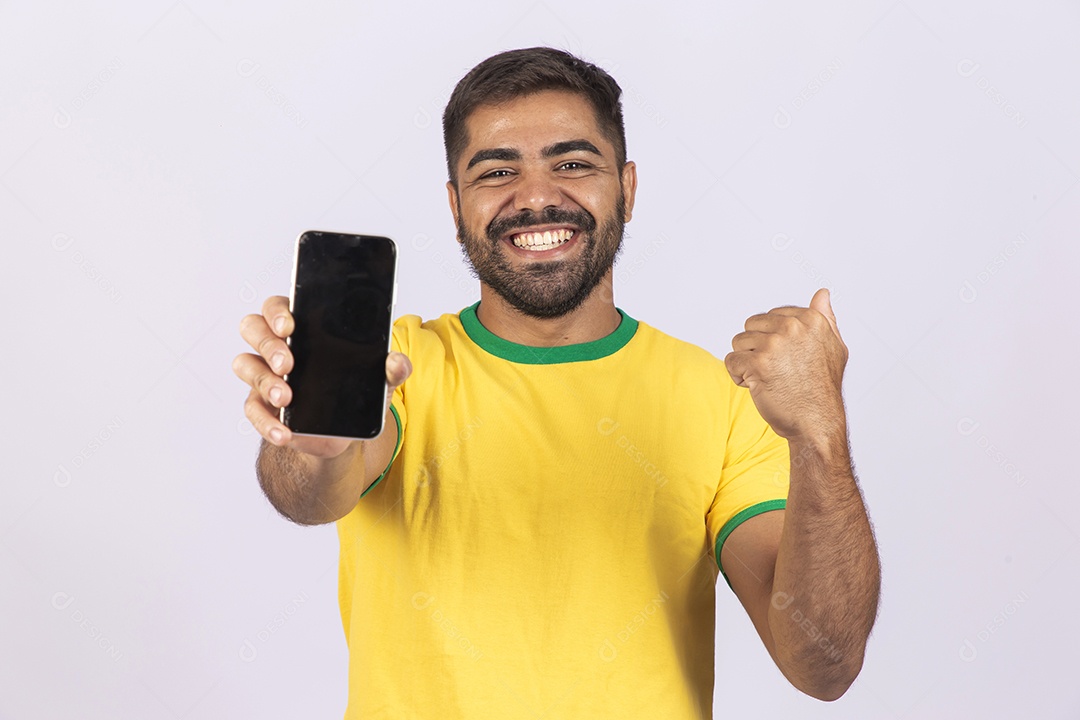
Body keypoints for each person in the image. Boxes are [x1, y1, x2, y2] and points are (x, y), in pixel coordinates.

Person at [232, 47, 880, 719]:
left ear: (626, 189)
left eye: (572, 164)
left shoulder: (720, 398)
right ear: (455, 207)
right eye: (497, 170)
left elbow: (824, 664)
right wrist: (314, 436)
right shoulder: (395, 365)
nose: (537, 196)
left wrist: (820, 436)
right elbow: (308, 497)